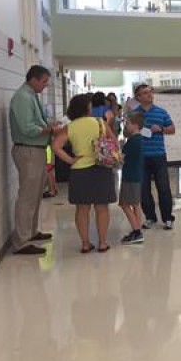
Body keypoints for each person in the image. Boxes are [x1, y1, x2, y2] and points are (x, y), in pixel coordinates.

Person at [52, 94, 117, 253]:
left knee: (82, 208)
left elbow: (56, 146)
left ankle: (85, 243)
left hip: (80, 170)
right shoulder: (100, 122)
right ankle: (102, 242)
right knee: (102, 207)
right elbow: (114, 142)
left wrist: (71, 160)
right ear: (87, 107)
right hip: (101, 168)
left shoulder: (71, 126)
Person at [9, 65, 60, 255]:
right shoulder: (22, 97)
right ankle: (21, 241)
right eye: (44, 81)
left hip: (37, 150)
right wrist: (50, 129)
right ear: (33, 79)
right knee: (27, 197)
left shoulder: (31, 96)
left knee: (36, 194)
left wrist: (50, 126)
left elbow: (36, 123)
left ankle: (31, 232)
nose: (46, 85)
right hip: (28, 150)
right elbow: (27, 128)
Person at [134, 84, 176, 230]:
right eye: (145, 93)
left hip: (159, 156)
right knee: (144, 190)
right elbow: (127, 133)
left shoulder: (161, 112)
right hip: (141, 157)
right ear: (138, 97)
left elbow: (172, 129)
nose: (149, 95)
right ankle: (150, 217)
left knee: (164, 188)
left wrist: (162, 129)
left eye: (150, 92)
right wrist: (140, 131)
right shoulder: (134, 114)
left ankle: (168, 218)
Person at [119, 113, 145, 245]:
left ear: (135, 125)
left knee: (124, 204)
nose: (126, 126)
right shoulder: (140, 139)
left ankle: (137, 231)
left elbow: (120, 158)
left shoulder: (131, 141)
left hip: (129, 177)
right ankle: (137, 228)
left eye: (128, 123)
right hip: (137, 175)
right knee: (135, 204)